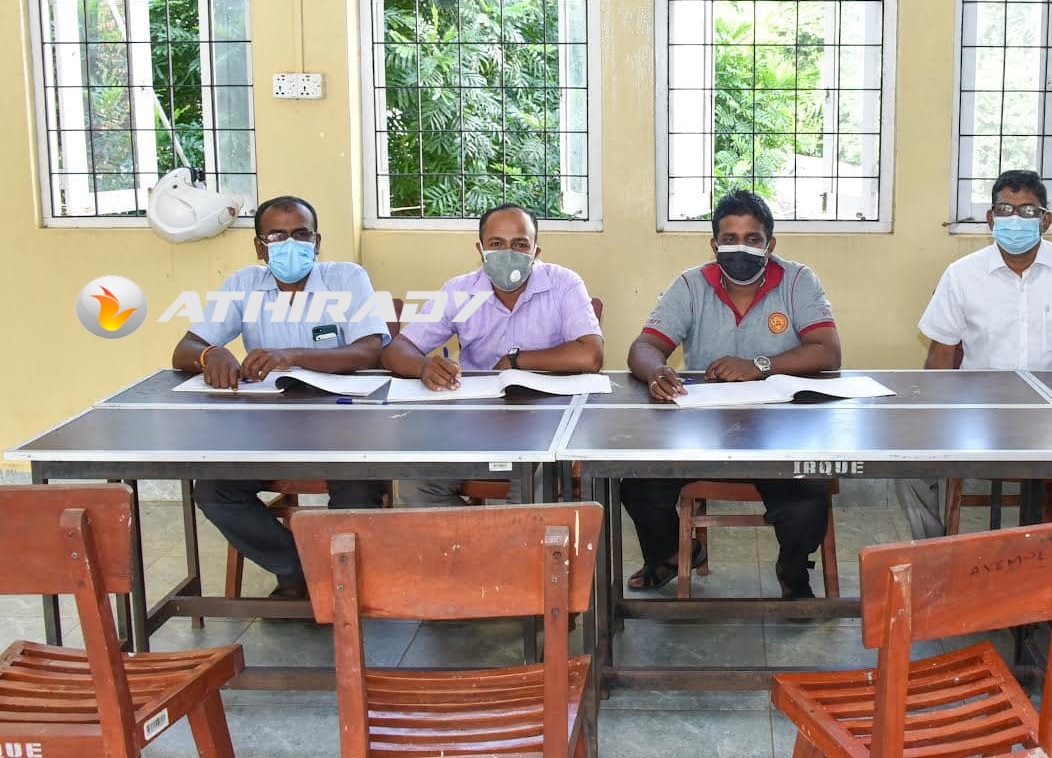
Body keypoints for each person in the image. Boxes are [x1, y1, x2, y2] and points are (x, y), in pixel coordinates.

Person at [624, 189, 841, 599]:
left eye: (752, 239)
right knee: (638, 484)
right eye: (730, 239)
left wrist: (759, 365)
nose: (740, 248)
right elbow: (644, 346)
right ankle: (672, 554)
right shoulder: (691, 284)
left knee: (808, 498)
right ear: (714, 244)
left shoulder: (798, 280)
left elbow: (828, 352)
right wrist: (656, 371)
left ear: (769, 245)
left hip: (782, 429)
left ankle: (793, 568)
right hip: (702, 429)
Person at [172, 195, 390, 600]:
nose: (291, 244)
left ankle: (343, 581)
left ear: (317, 241)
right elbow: (185, 349)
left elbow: (370, 350)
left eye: (301, 234)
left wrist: (291, 356)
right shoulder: (242, 285)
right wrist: (209, 353)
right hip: (268, 429)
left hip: (343, 426)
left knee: (358, 490)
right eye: (277, 236)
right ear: (260, 246)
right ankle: (302, 571)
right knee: (214, 490)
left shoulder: (346, 278)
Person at [899, 169, 1052, 540]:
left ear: (1045, 220)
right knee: (908, 470)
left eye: (1028, 210)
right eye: (1005, 209)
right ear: (991, 219)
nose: (1015, 219)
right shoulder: (962, 275)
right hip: (976, 416)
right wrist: (934, 418)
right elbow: (940, 355)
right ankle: (934, 552)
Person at [382, 203, 603, 505]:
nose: (507, 252)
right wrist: (423, 366)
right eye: (496, 243)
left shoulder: (563, 284)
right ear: (481, 249)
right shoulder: (459, 291)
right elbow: (396, 350)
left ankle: (513, 532)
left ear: (535, 251)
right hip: (474, 419)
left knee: (535, 493)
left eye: (520, 244)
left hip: (547, 419)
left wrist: (515, 361)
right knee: (417, 487)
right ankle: (479, 536)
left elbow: (590, 355)